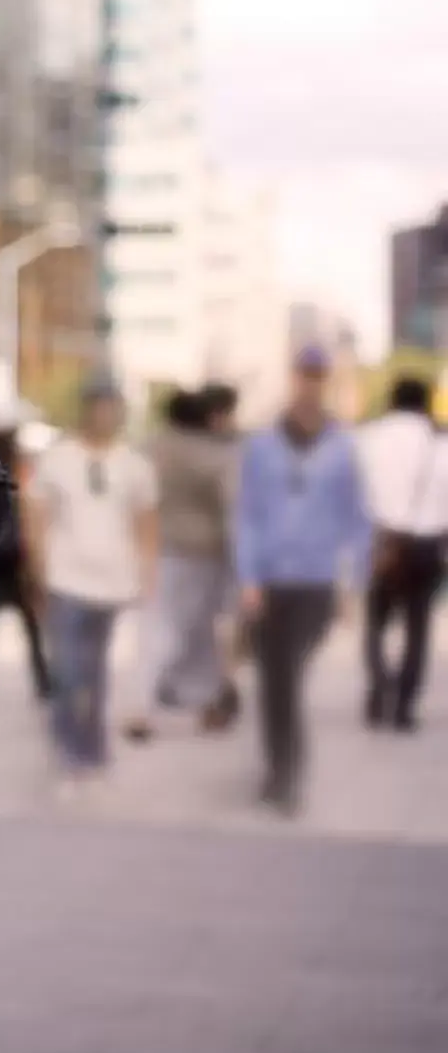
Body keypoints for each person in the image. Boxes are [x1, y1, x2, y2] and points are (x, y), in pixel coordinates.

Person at [234, 348, 375, 814]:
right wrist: (249, 577)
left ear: (325, 381)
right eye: (304, 375)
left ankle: (289, 772)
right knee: (275, 680)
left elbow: (357, 520)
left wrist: (354, 583)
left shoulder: (342, 447)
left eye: (319, 376)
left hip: (316, 581)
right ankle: (281, 771)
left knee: (288, 678)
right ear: (293, 379)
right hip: (271, 581)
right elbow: (247, 515)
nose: (310, 384)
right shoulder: (262, 445)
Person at [19, 381, 157, 786]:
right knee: (65, 669)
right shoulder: (58, 459)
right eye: (97, 406)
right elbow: (36, 513)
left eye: (110, 407)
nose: (104, 414)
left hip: (112, 582)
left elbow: (146, 520)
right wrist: (38, 568)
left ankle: (93, 745)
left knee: (96, 670)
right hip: (65, 578)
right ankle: (67, 748)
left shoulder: (134, 465)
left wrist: (147, 571)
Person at [129, 385, 244, 739]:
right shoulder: (214, 456)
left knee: (158, 627)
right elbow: (233, 508)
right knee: (198, 630)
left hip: (154, 549)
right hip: (202, 553)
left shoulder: (146, 449)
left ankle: (148, 704)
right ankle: (196, 703)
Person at [356, 375, 446, 731]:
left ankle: (380, 689)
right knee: (417, 627)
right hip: (426, 545)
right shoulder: (439, 444)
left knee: (376, 624)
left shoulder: (368, 439)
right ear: (425, 404)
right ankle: (405, 706)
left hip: (382, 541)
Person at [0, 427, 53, 713]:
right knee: (31, 629)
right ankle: (43, 684)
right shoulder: (17, 481)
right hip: (14, 563)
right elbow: (27, 526)